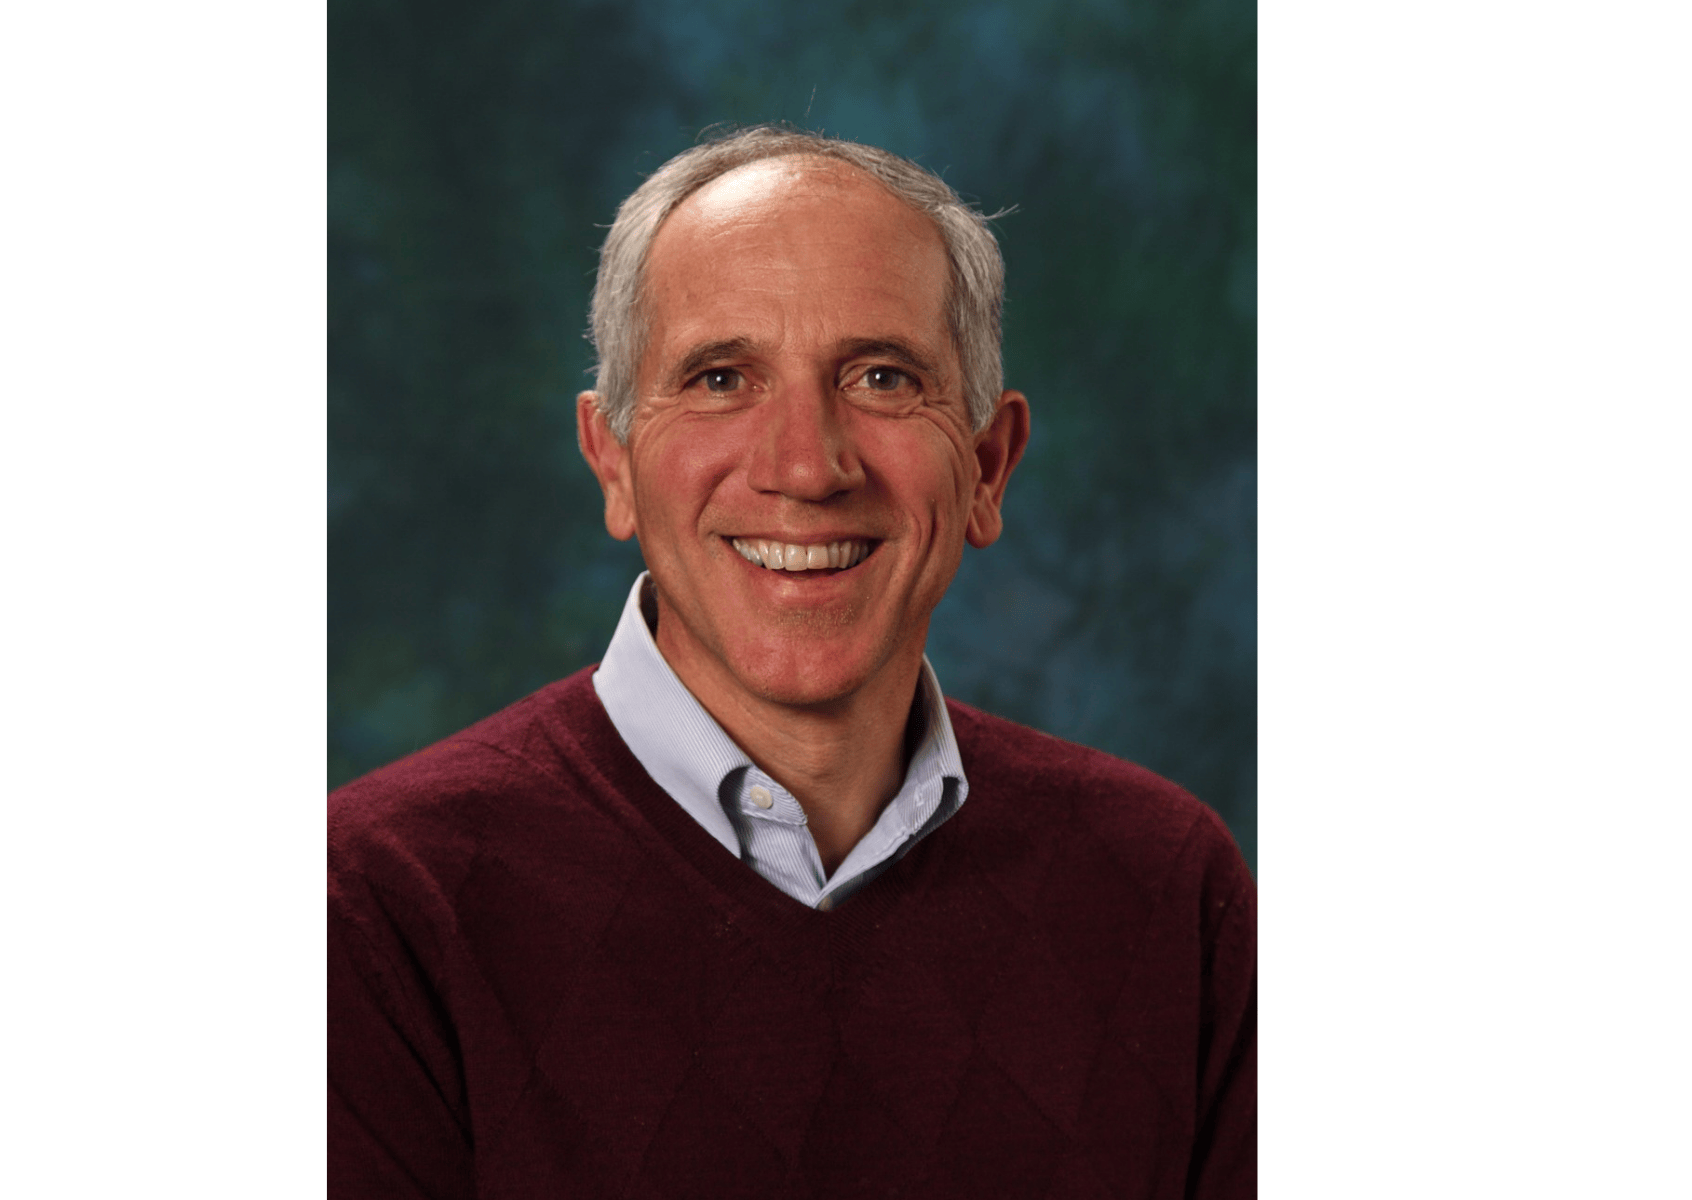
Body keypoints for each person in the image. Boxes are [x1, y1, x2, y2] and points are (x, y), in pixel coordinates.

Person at [329, 126, 1255, 1199]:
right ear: (614, 463)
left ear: (989, 465)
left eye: (880, 376)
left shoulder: (1162, 888)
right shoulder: (376, 907)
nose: (806, 465)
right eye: (721, 378)